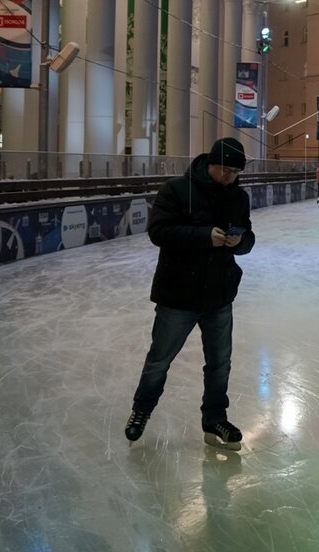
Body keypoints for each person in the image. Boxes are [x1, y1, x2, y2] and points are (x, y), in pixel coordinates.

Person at [124, 137, 255, 450]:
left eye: (236, 173)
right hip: (178, 294)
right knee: (159, 360)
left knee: (220, 363)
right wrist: (204, 236)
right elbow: (159, 232)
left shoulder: (238, 197)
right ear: (211, 163)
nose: (230, 177)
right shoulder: (176, 190)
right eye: (226, 170)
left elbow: (248, 236)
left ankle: (214, 419)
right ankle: (142, 409)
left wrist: (241, 242)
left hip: (219, 294)